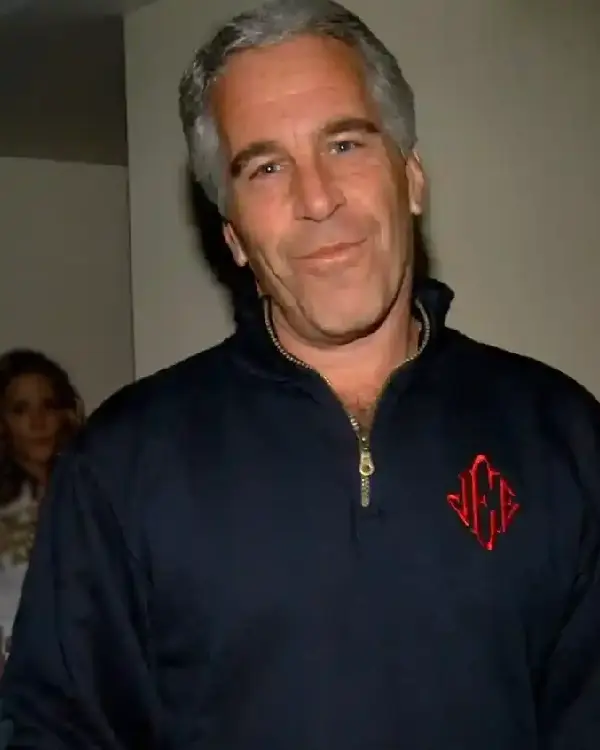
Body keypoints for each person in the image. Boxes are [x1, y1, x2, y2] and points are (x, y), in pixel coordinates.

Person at [1, 1, 599, 747]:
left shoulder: (563, 435)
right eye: (267, 168)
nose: (317, 199)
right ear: (234, 236)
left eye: (344, 144)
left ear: (412, 178)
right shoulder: (120, 463)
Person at [0, 349, 83, 659]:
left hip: (84, 663)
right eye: (21, 410)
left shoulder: (90, 493)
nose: (38, 422)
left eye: (48, 406)